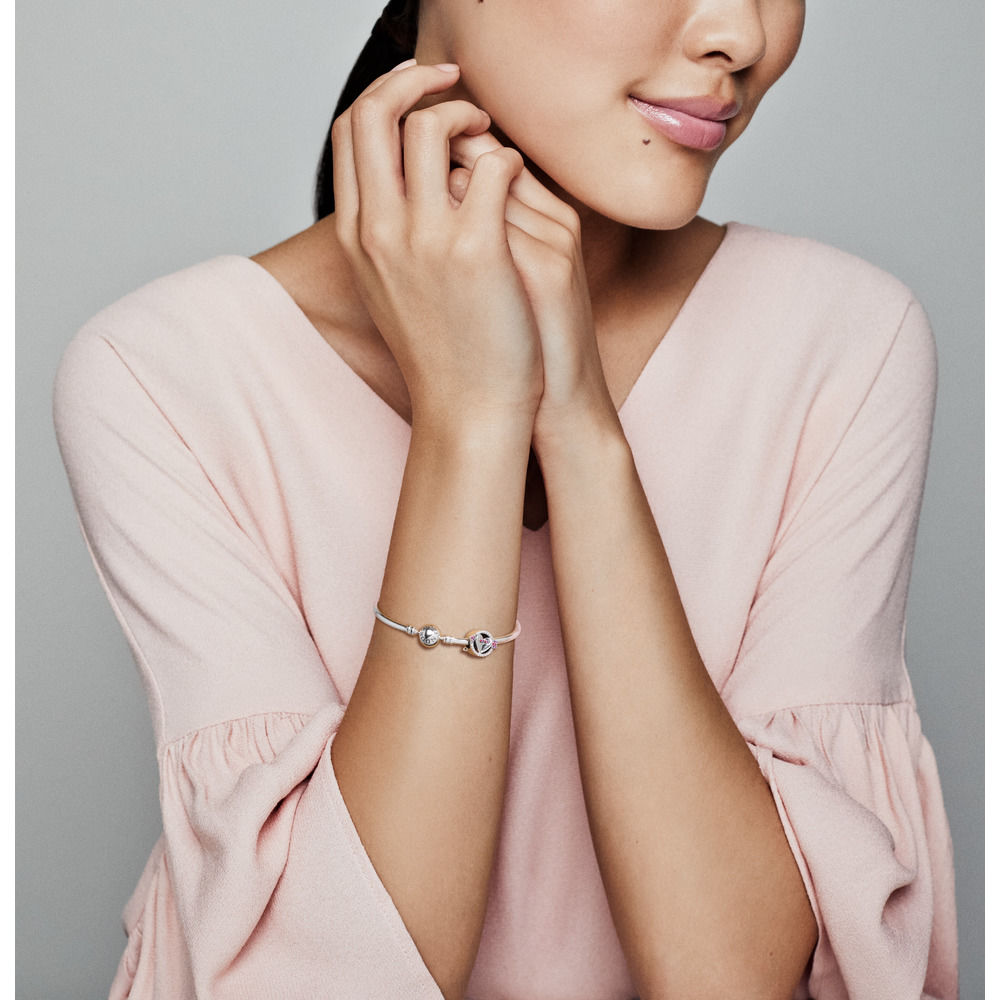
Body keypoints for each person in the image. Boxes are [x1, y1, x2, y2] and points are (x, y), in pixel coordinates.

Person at [51, 0, 959, 997]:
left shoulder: (842, 344)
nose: (740, 37)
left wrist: (580, 427)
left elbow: (731, 979)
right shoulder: (166, 379)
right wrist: (472, 419)